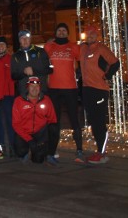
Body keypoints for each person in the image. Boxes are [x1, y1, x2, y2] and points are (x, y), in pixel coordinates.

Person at [44, 23, 84, 164]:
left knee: (74, 119)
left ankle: (79, 149)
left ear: (67, 33)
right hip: (53, 88)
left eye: (64, 30)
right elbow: (43, 62)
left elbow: (84, 61)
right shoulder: (49, 46)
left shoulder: (74, 47)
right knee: (54, 120)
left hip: (70, 88)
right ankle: (52, 150)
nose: (61, 32)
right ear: (56, 33)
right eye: (59, 30)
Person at [80, 24, 119, 164]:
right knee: (93, 121)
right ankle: (98, 150)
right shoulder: (83, 48)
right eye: (87, 34)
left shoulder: (101, 48)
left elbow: (116, 63)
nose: (89, 36)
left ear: (97, 36)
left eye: (92, 34)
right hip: (87, 90)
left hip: (99, 90)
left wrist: (106, 76)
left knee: (99, 121)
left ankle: (102, 153)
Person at [12, 76, 57, 164]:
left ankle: (49, 154)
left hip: (39, 133)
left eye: (37, 86)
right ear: (27, 87)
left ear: (40, 88)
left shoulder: (46, 100)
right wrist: (29, 140)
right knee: (20, 151)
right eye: (32, 86)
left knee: (38, 160)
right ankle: (25, 152)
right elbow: (16, 124)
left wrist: (43, 141)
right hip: (25, 133)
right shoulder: (18, 101)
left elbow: (52, 120)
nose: (34, 89)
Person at [11, 30, 52, 96]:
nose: (25, 40)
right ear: (19, 40)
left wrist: (34, 71)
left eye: (27, 38)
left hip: (41, 92)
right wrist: (24, 73)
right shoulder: (15, 56)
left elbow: (50, 69)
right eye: (22, 38)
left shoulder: (40, 51)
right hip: (23, 93)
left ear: (30, 39)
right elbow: (13, 76)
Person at [0, 37, 15, 157]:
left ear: (6, 47)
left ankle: (12, 145)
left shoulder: (11, 59)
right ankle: (1, 145)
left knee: (10, 122)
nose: (1, 47)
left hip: (8, 95)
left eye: (3, 45)